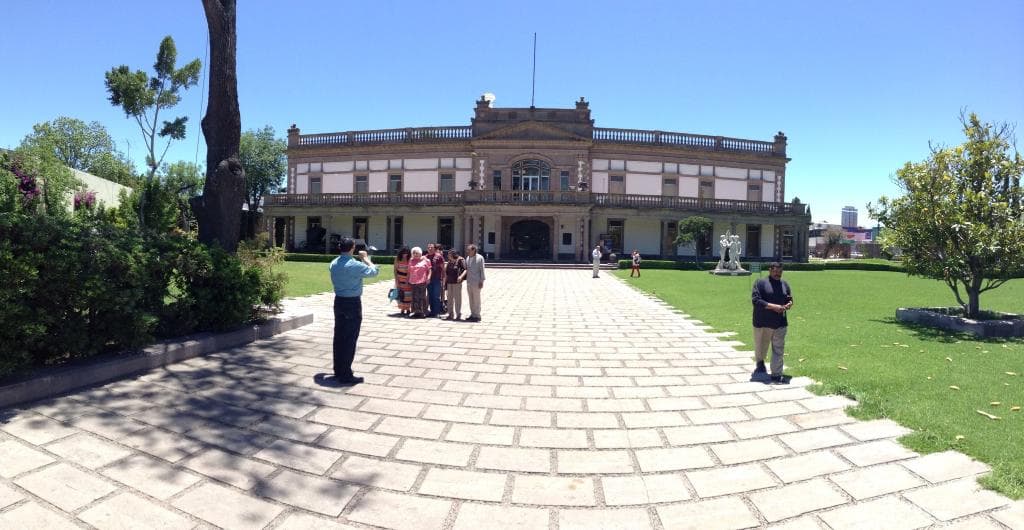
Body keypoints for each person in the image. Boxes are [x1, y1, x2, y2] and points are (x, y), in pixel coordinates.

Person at [328, 237, 379, 385]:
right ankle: (346, 373)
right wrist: (366, 258)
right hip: (352, 303)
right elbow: (374, 272)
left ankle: (338, 369)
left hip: (339, 301)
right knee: (350, 339)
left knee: (339, 337)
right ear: (352, 248)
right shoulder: (354, 264)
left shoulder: (333, 263)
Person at [751, 262, 794, 384]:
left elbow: (789, 298)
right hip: (763, 322)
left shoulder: (784, 284)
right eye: (775, 271)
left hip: (780, 322)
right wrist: (774, 307)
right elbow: (756, 300)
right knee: (761, 346)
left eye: (780, 272)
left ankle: (776, 374)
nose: (778, 274)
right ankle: (760, 363)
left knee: (778, 349)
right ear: (770, 270)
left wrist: (789, 303)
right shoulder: (760, 283)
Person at [464, 244, 486, 322]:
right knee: (471, 299)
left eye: (469, 250)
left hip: (476, 282)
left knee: (476, 299)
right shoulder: (467, 258)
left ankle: (477, 315)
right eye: (467, 250)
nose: (467, 251)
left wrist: (482, 281)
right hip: (469, 281)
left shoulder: (480, 258)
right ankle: (472, 314)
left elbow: (482, 270)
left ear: (474, 250)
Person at [408, 246, 431, 318]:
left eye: (417, 253)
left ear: (420, 253)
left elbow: (429, 270)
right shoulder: (411, 260)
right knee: (414, 297)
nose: (415, 254)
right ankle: (415, 311)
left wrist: (428, 278)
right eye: (414, 253)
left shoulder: (426, 260)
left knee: (422, 297)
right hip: (413, 281)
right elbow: (409, 271)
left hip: (422, 281)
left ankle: (423, 312)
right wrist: (407, 279)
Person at [444, 249, 466, 320]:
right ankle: (450, 314)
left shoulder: (460, 260)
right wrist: (445, 284)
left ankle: (458, 314)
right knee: (449, 299)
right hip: (449, 282)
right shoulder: (449, 262)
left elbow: (465, 269)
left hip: (457, 282)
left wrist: (461, 277)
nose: (448, 255)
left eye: (449, 254)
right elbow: (446, 273)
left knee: (457, 299)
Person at [426, 243, 445, 317]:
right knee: (430, 295)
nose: (430, 249)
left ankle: (436, 312)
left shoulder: (439, 257)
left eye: (431, 247)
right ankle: (432, 311)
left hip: (437, 279)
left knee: (436, 296)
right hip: (428, 280)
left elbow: (443, 269)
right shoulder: (425, 257)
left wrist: (443, 280)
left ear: (434, 248)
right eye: (428, 247)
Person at [393, 247, 412, 316]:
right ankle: (402, 309)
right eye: (404, 253)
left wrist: (408, 280)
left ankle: (408, 309)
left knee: (408, 295)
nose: (405, 254)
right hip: (399, 278)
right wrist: (396, 280)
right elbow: (395, 270)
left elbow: (410, 271)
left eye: (407, 253)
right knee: (400, 294)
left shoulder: (410, 259)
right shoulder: (397, 259)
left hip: (407, 279)